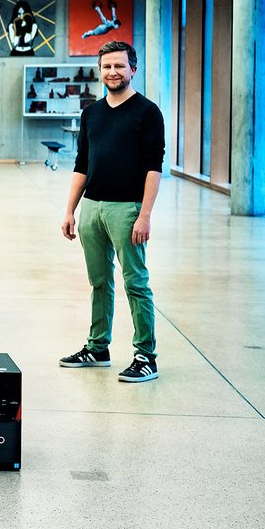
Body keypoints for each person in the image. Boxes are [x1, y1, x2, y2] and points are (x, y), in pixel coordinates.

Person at [59, 40, 165, 383]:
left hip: (128, 209)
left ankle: (145, 355)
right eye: (106, 66)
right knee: (99, 282)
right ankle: (97, 347)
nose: (113, 72)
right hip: (92, 207)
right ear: (99, 71)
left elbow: (153, 166)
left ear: (133, 69)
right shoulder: (92, 112)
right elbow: (81, 164)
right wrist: (70, 210)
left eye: (119, 66)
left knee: (136, 282)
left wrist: (145, 214)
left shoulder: (148, 112)